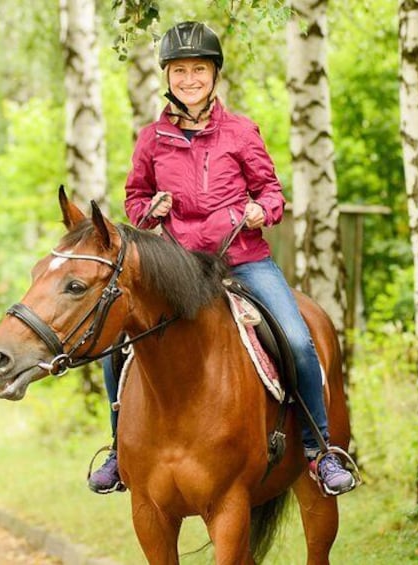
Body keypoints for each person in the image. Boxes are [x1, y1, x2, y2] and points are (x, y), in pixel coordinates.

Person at [87, 21, 357, 497]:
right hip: (178, 267)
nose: (189, 79)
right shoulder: (151, 139)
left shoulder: (241, 131)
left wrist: (261, 209)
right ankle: (117, 449)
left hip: (243, 258)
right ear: (167, 78)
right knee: (117, 348)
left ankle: (320, 452)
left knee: (296, 340)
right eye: (179, 71)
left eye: (199, 70)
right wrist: (149, 210)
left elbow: (272, 192)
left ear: (214, 75)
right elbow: (133, 199)